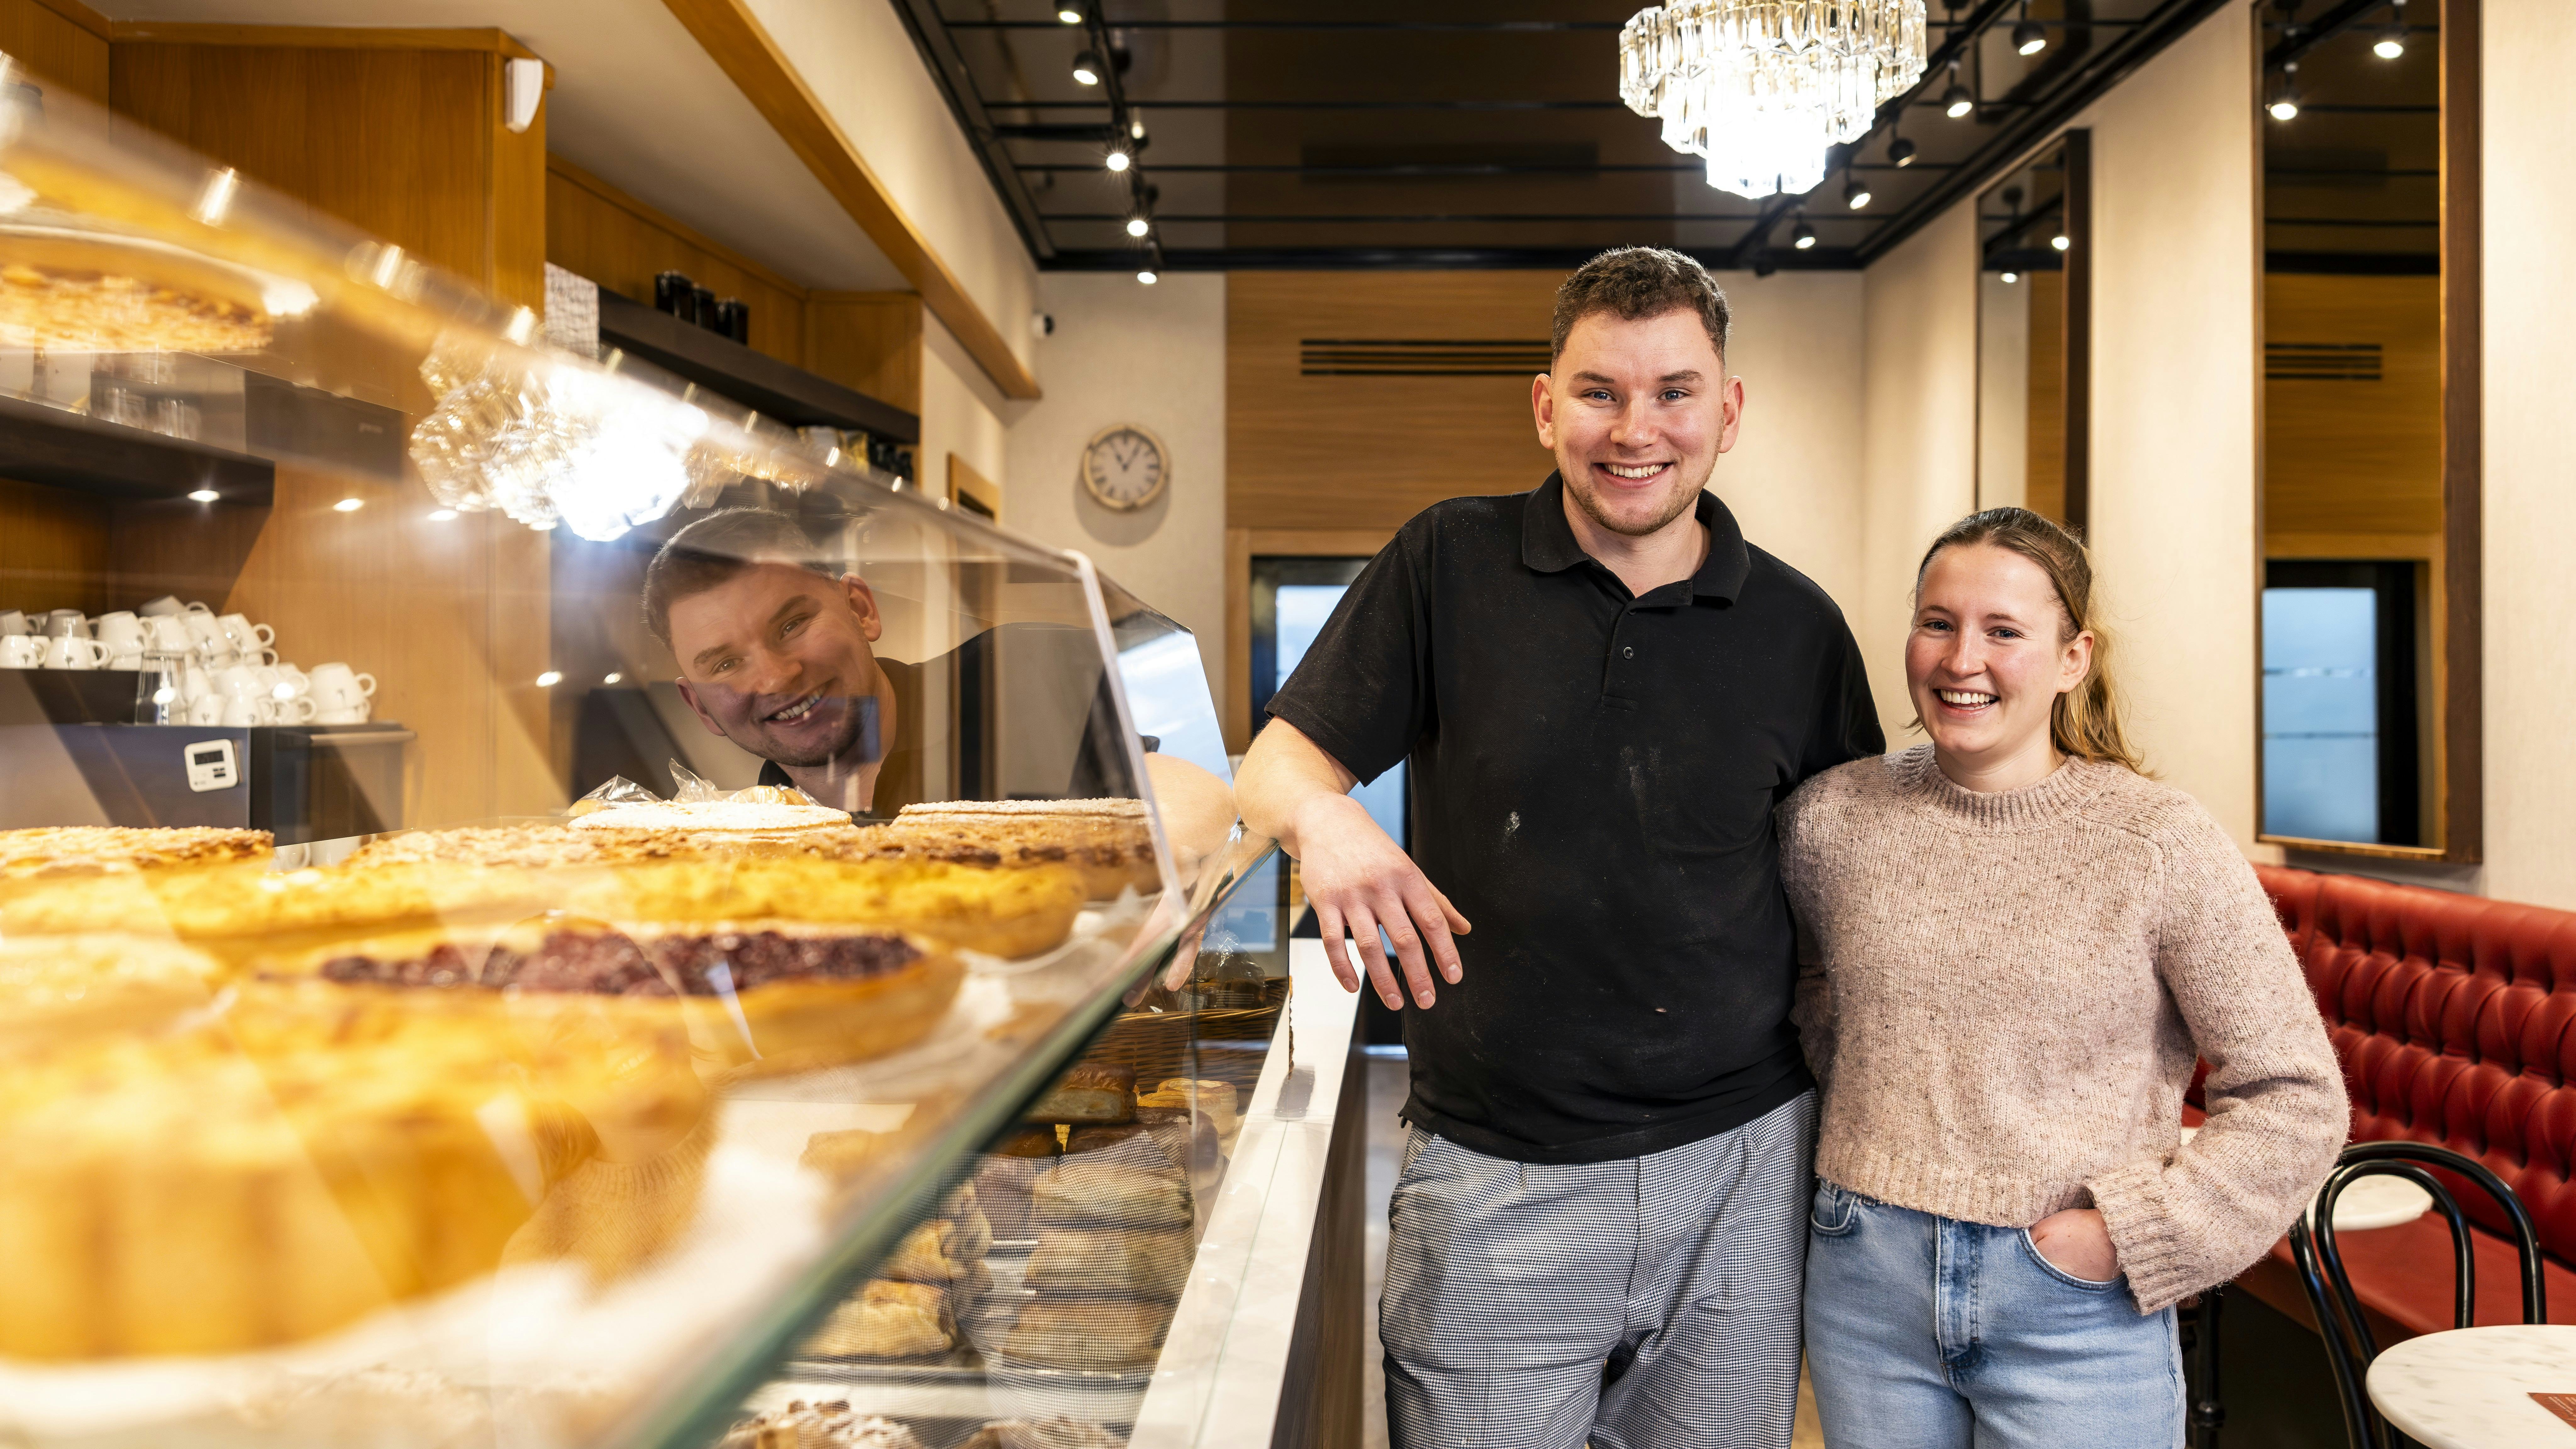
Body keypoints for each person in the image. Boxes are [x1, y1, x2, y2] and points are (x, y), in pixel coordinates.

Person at [1235, 247, 1883, 1449]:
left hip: (1743, 1166)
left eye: (1675, 392)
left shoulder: (1801, 627)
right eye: (1599, 392)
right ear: (1545, 405)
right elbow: (1274, 759)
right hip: (1496, 1173)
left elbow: (1855, 902)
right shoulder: (1446, 562)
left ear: (1727, 412)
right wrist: (1328, 820)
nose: (1636, 429)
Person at [1779, 508, 2347, 1448]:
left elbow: (2294, 1093)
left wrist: (2130, 1233)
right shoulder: (1830, 822)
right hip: (1864, 1287)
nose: (1963, 659)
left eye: (2004, 631)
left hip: (2074, 1303)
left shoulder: (2157, 841)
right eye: (1938, 622)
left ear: (2073, 658)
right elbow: (1808, 1005)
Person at [640, 507, 1130, 817]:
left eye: (791, 626)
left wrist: (1179, 830)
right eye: (726, 665)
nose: (776, 677)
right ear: (701, 708)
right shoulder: (768, 827)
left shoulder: (1020, 670)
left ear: (861, 608)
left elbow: (1183, 778)